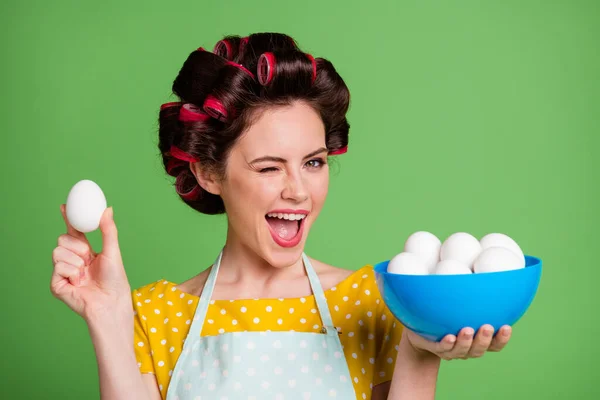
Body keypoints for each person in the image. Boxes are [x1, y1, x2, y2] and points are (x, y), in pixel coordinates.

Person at [50, 32, 512, 400]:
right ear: (210, 173)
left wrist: (420, 350)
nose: (298, 190)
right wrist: (109, 318)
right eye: (269, 167)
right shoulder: (155, 315)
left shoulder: (375, 301)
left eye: (313, 163)